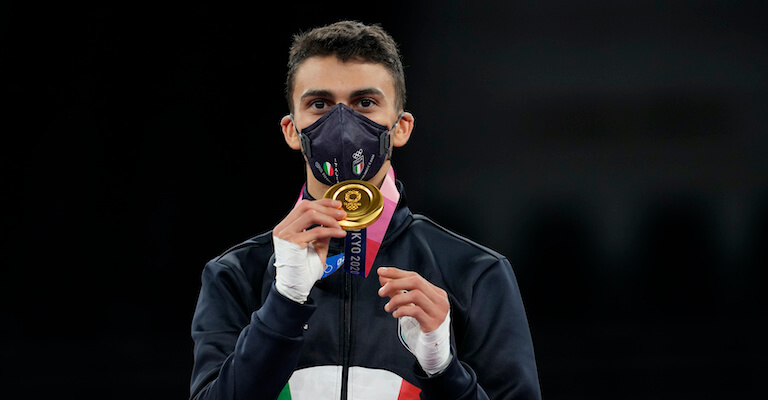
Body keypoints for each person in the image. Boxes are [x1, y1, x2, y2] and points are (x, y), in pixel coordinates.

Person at [189, 20, 541, 400]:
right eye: (319, 104)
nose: (342, 124)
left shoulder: (473, 272)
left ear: (401, 127)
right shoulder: (236, 275)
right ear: (292, 130)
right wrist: (284, 302)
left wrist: (443, 369)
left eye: (365, 103)